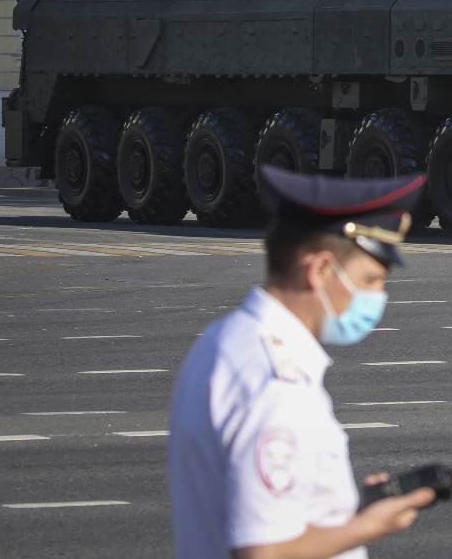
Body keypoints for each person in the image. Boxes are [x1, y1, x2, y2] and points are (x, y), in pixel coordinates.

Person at [168, 165, 436, 559]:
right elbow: (264, 553)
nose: (378, 298)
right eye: (369, 280)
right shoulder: (277, 385)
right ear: (320, 270)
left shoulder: (226, 340)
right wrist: (373, 524)